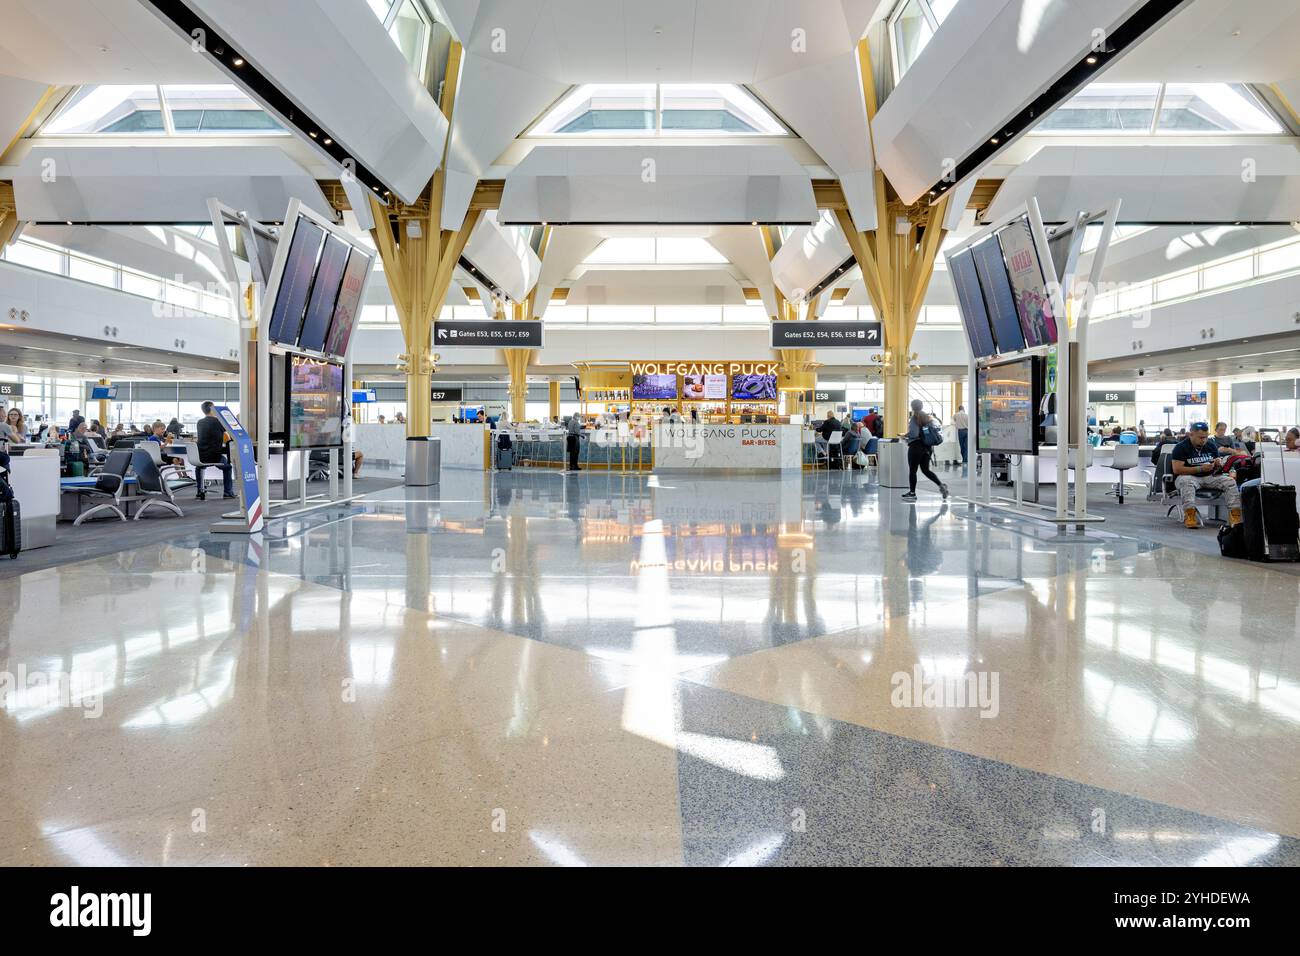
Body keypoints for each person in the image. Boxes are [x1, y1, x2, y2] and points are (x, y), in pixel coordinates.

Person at [1170, 422, 1241, 529]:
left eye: (1206, 437)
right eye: (1200, 437)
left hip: (1209, 476)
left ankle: (1235, 516)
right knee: (1186, 481)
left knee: (1230, 482)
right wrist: (1200, 468)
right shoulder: (1180, 447)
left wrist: (1218, 465)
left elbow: (1217, 468)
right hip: (1189, 476)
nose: (1203, 440)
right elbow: (1177, 469)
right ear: (1191, 435)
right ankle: (1190, 515)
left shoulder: (1211, 445)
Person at [901, 399, 948, 502]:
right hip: (927, 448)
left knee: (913, 470)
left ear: (912, 407)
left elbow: (914, 433)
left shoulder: (914, 418)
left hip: (916, 447)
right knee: (925, 470)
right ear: (921, 406)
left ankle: (912, 493)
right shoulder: (927, 417)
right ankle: (941, 485)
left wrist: (905, 435)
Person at [194, 401, 237, 500]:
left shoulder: (200, 422)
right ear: (212, 409)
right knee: (228, 468)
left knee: (199, 467)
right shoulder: (219, 422)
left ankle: (199, 491)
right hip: (214, 455)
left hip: (200, 456)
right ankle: (228, 492)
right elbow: (231, 429)